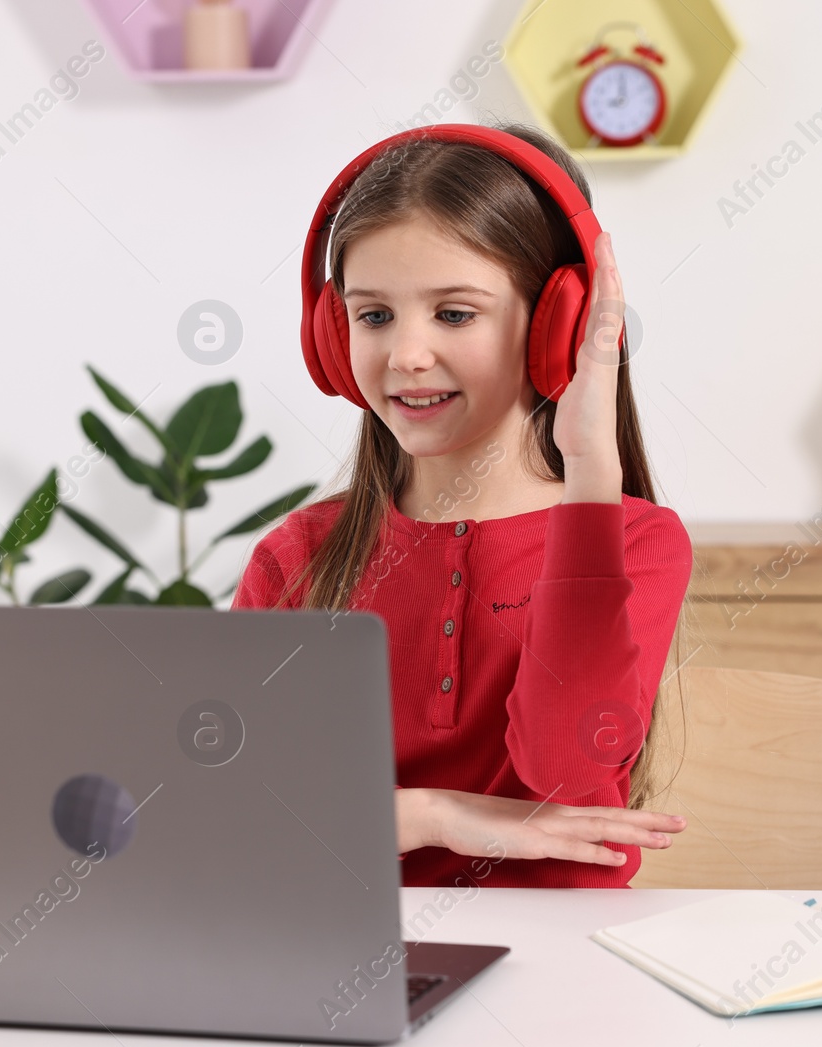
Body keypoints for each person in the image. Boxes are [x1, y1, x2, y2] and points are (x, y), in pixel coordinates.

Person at [232, 121, 693, 888]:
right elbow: (239, 819)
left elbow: (567, 773)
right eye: (373, 315)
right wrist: (437, 816)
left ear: (558, 327)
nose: (406, 354)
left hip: (558, 972)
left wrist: (589, 468)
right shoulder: (297, 555)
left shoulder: (637, 541)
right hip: (345, 959)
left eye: (454, 313)